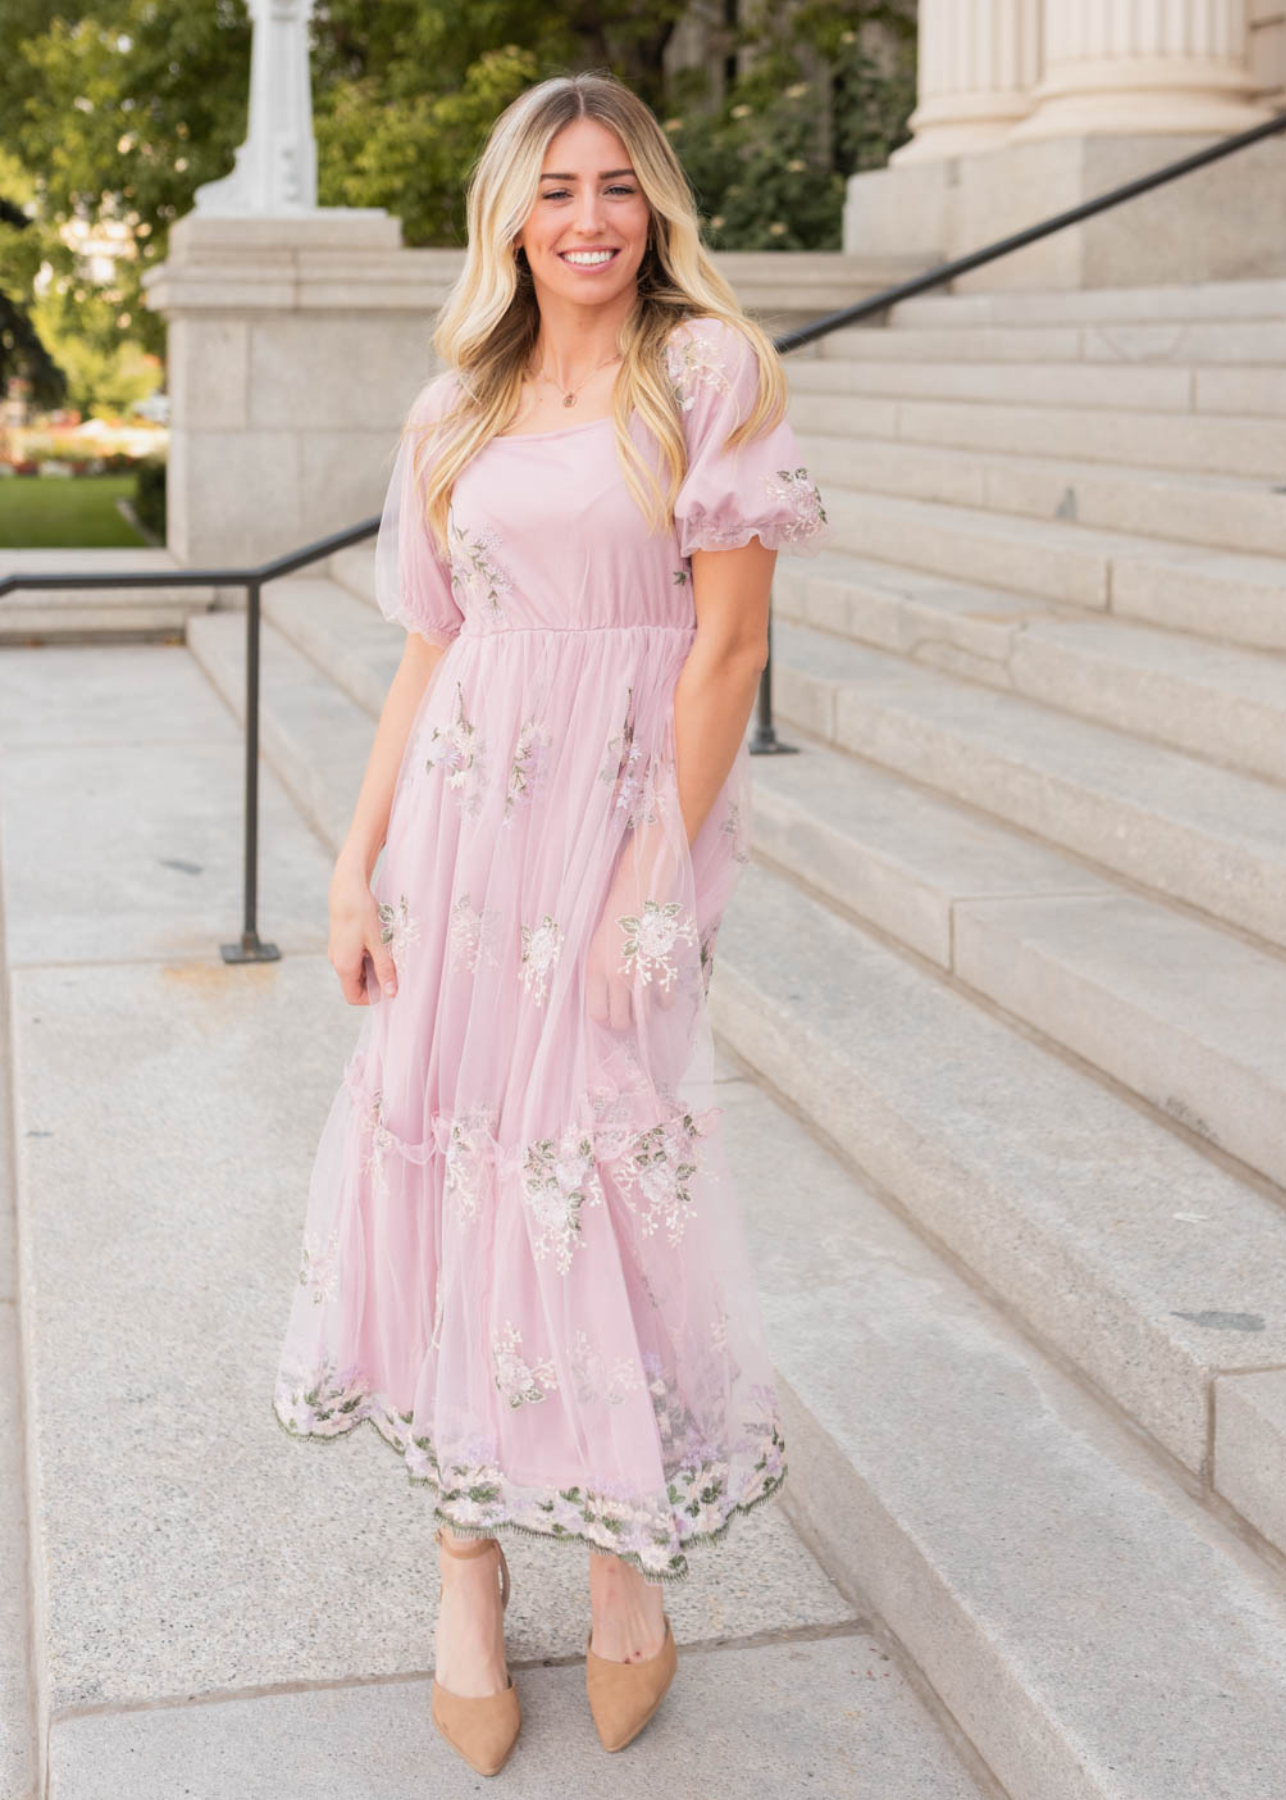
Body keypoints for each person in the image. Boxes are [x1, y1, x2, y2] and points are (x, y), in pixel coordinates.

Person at [271, 68, 831, 1775]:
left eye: (617, 185)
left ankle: (619, 1569)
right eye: (557, 187)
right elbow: (431, 648)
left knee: (594, 1181)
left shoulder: (704, 372)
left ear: (653, 201)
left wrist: (648, 887)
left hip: (620, 827)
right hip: (459, 831)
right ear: (510, 211)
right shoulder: (454, 407)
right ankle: (461, 1567)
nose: (590, 218)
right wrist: (358, 865)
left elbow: (727, 652)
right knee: (447, 1163)